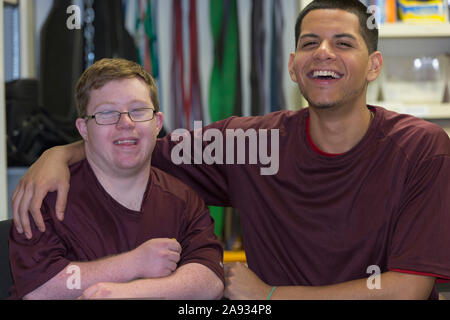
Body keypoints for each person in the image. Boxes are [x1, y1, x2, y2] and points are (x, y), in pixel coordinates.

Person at [11, 0, 450, 300]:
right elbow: (134, 142)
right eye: (310, 42)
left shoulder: (422, 149)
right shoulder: (247, 144)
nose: (324, 53)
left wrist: (272, 296)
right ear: (294, 66)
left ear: (374, 64)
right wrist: (61, 153)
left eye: (344, 42)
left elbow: (406, 289)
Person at [8, 58, 224, 300]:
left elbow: (210, 281)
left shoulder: (183, 200)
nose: (126, 123)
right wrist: (133, 264)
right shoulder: (45, 195)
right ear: (83, 129)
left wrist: (128, 292)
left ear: (157, 123)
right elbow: (40, 288)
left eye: (138, 110)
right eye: (107, 113)